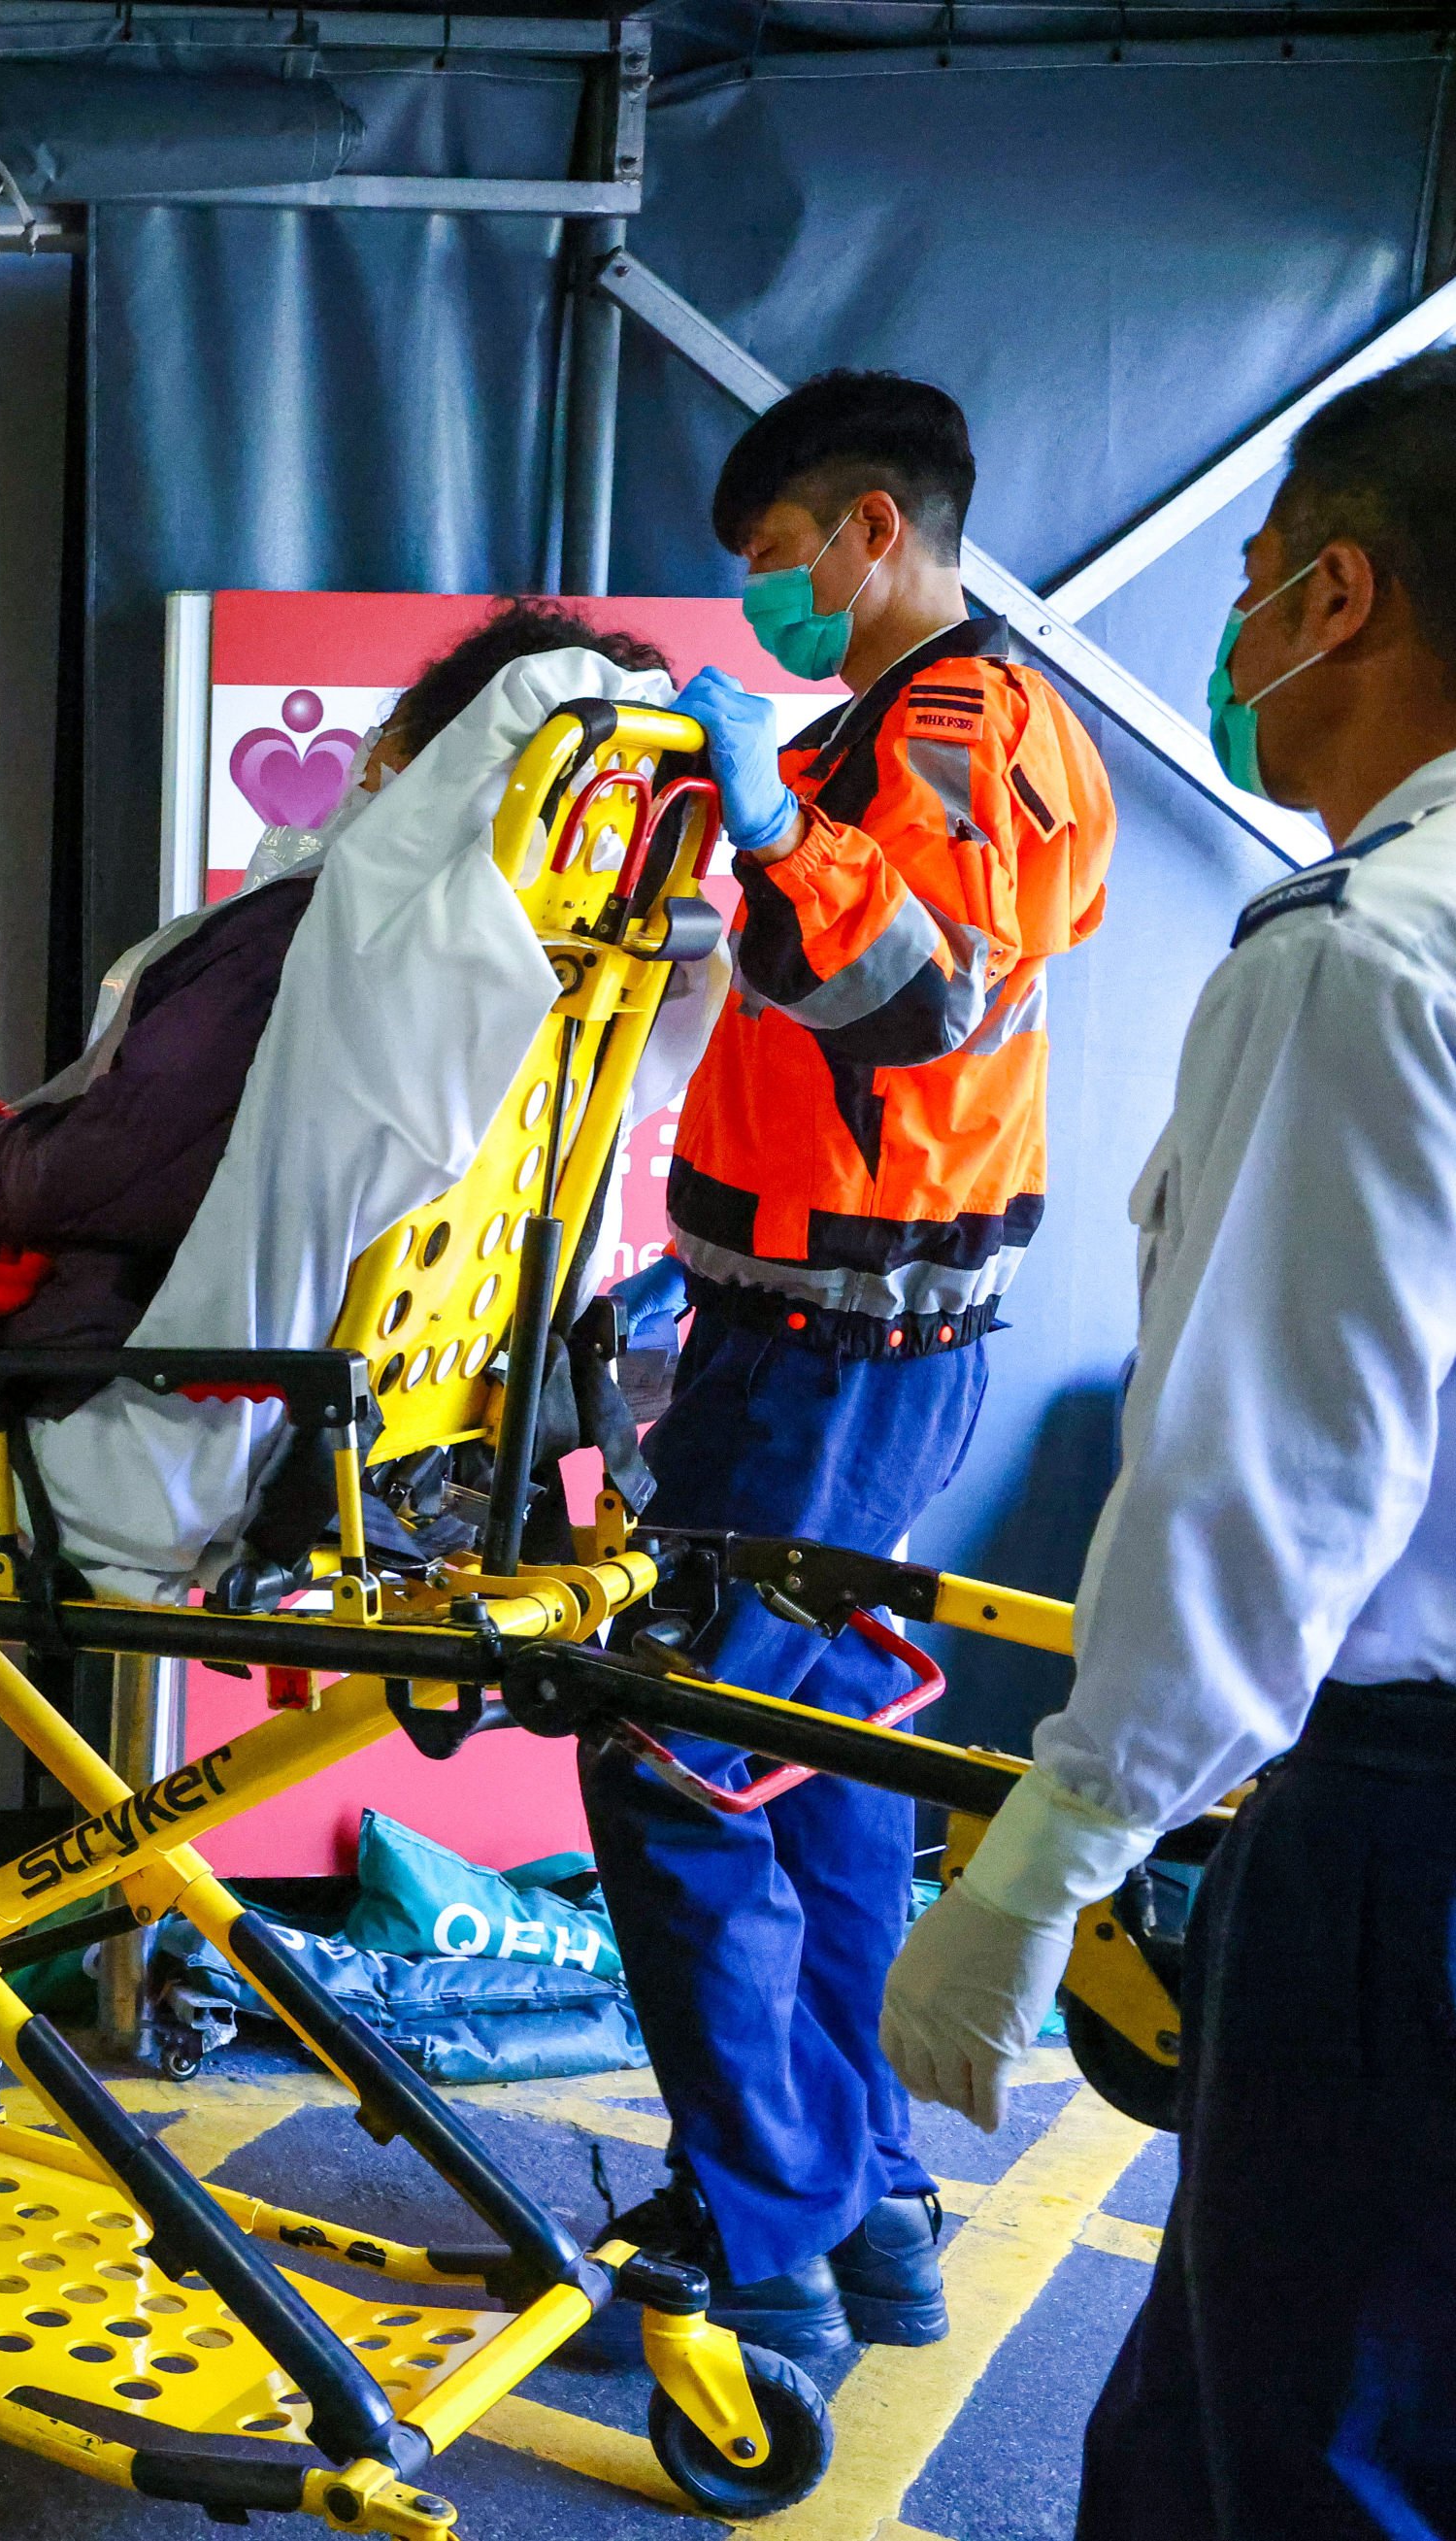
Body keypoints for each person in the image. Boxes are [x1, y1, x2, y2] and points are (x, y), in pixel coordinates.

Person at [877, 350, 1456, 2539]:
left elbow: (1271, 1481)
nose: (1221, 656)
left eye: (1238, 596)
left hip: (1405, 1842)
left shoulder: (1357, 961)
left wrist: (1038, 1867)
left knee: (1289, 2456)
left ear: (1339, 596)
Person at [582, 372, 1118, 2386]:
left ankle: (768, 2233)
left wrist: (766, 820)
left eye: (777, 563)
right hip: (831, 1343)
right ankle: (861, 2205)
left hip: (831, 1353)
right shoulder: (920, 734)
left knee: (669, 1762)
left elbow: (917, 1002)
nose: (769, 608)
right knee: (799, 1766)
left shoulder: (956, 728)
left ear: (867, 527)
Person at [0, 601, 672, 1358]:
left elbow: (99, 1170)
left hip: (155, 1356)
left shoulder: (315, 942)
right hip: (435, 1376)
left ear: (426, 762)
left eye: (388, 729)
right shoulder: (567, 972)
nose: (369, 750)